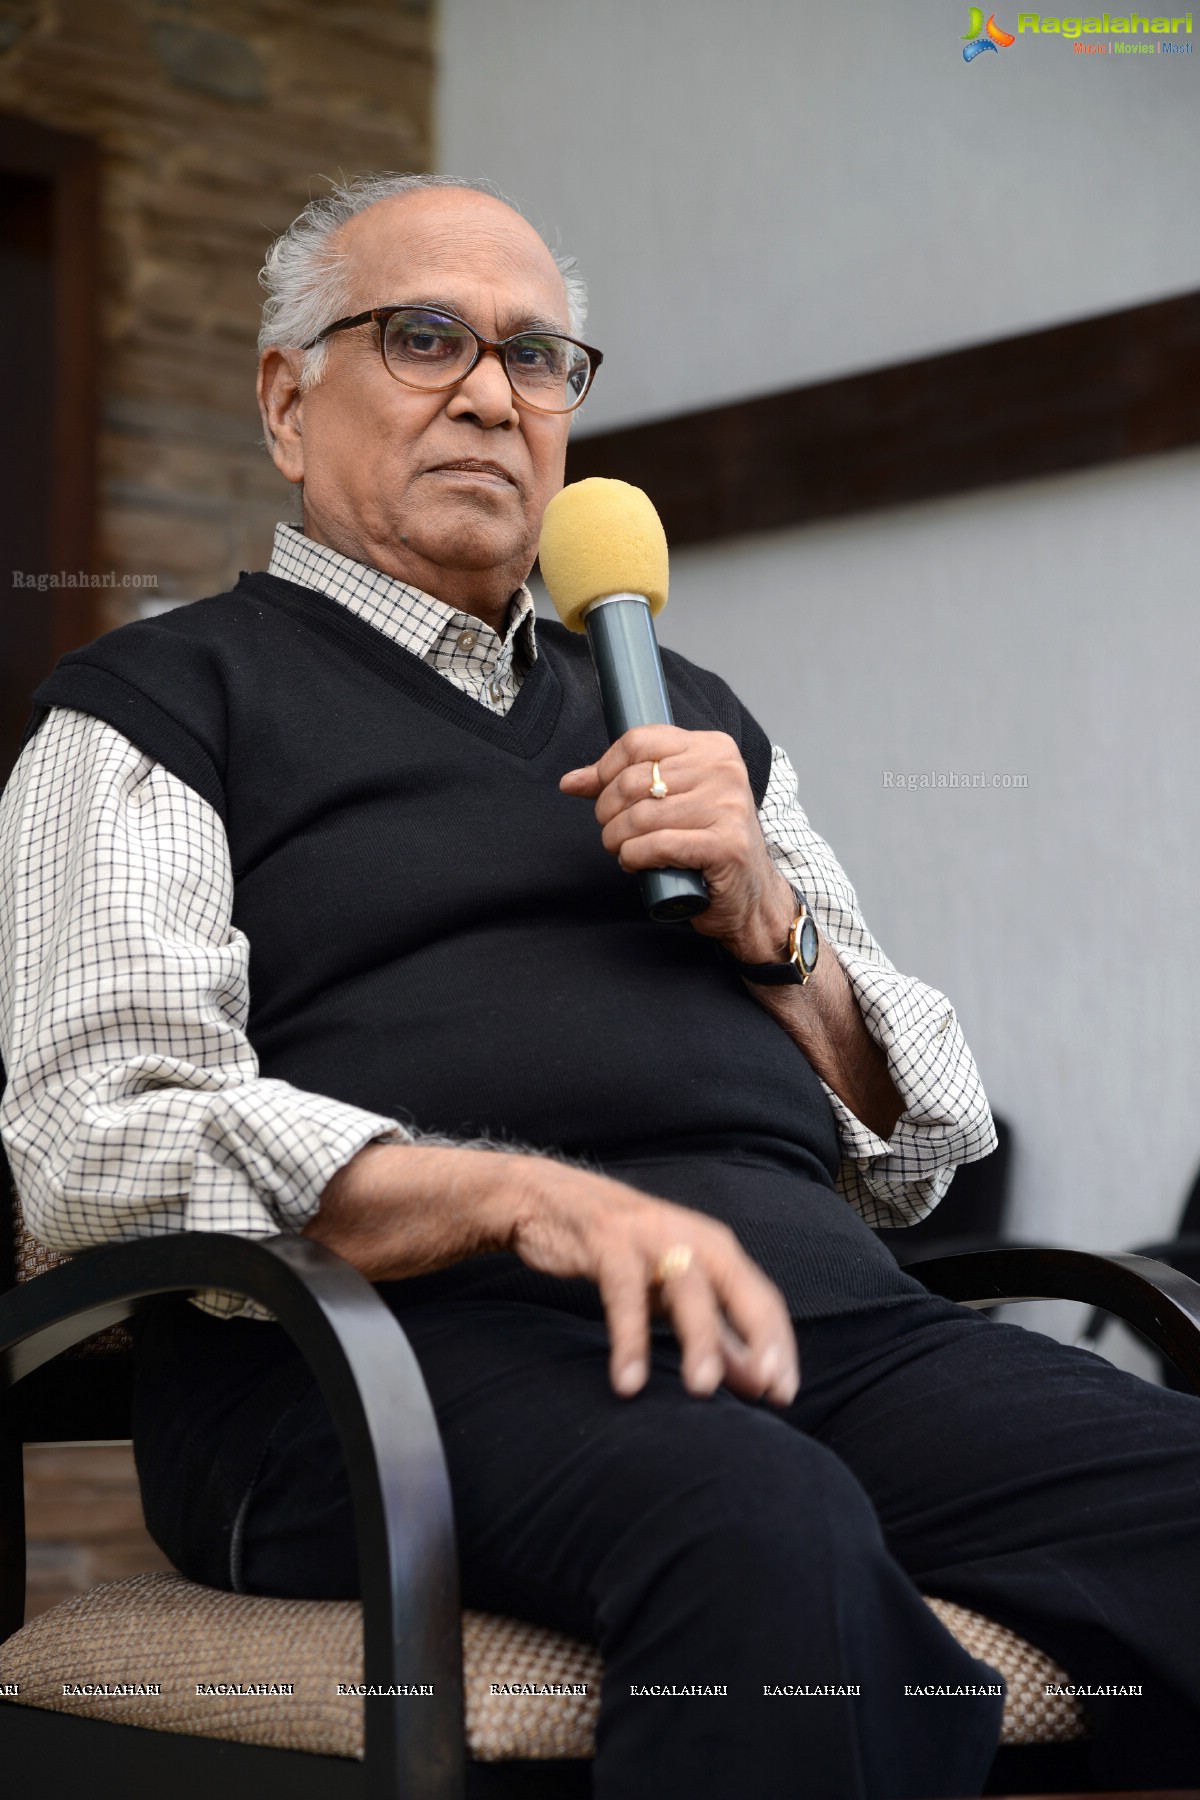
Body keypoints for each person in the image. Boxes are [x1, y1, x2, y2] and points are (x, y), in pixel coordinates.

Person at [1, 172, 1198, 1800]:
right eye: (425, 337)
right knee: (758, 1529)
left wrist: (777, 926)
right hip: (374, 1373)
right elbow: (95, 1140)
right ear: (288, 399)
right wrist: (522, 1201)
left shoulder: (687, 718)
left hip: (807, 1331)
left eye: (540, 357)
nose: (494, 394)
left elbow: (927, 1153)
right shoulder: (154, 708)